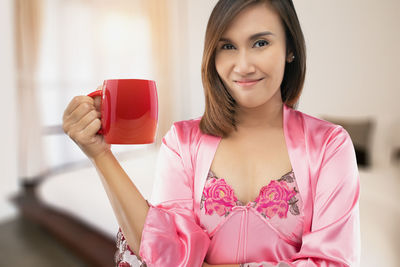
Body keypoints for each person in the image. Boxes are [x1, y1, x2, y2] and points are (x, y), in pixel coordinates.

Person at [62, 0, 361, 266]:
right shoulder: (182, 142)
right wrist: (99, 154)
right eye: (227, 46)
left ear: (291, 50)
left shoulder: (330, 145)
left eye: (260, 43)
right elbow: (161, 252)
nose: (242, 66)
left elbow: (333, 263)